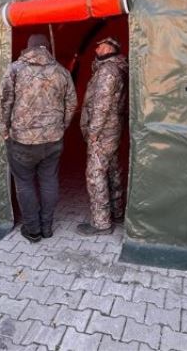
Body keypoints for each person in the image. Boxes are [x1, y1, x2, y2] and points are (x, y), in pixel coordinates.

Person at [0, 34, 77, 243]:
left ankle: (33, 230)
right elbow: (71, 104)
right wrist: (62, 126)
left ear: (28, 47)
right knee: (49, 181)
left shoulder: (15, 69)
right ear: (47, 48)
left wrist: (3, 130)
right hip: (53, 140)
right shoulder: (62, 71)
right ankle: (47, 227)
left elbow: (4, 101)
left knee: (25, 183)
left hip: (22, 140)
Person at [78, 36, 128, 236]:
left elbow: (101, 106)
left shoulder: (108, 71)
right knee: (113, 170)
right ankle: (117, 212)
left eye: (100, 46)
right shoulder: (116, 68)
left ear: (109, 48)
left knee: (95, 174)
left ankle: (101, 223)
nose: (96, 49)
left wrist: (93, 133)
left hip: (103, 132)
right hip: (112, 130)